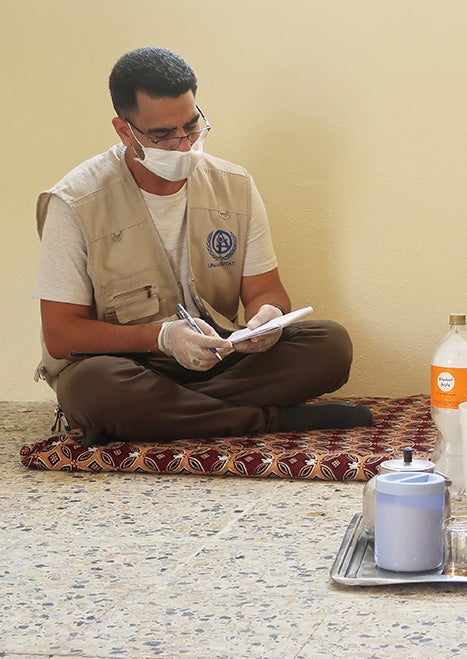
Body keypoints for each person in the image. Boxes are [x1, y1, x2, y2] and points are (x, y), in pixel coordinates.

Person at [34, 47, 371, 444]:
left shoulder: (234, 185)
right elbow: (62, 335)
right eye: (162, 135)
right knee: (93, 387)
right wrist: (161, 338)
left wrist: (268, 317)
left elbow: (265, 289)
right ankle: (271, 420)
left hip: (219, 359)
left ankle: (155, 416)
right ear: (125, 130)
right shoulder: (75, 202)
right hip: (127, 366)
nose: (183, 145)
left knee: (330, 344)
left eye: (192, 127)